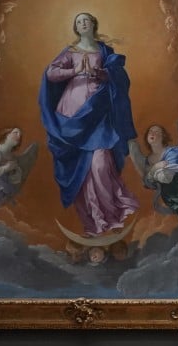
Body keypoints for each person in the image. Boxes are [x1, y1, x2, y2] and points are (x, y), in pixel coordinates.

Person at [39, 12, 139, 236]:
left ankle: (111, 214)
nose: (82, 23)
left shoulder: (104, 51)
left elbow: (119, 77)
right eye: (78, 21)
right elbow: (51, 73)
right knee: (81, 172)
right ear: (76, 28)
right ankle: (94, 223)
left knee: (101, 165)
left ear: (94, 23)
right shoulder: (71, 52)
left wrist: (103, 74)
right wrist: (75, 71)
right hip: (72, 115)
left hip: (98, 114)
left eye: (86, 20)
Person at [137, 124, 178, 230]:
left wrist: (153, 173)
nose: (152, 133)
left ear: (163, 136)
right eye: (150, 131)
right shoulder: (148, 160)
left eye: (157, 132)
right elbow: (148, 183)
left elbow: (167, 177)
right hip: (173, 198)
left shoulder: (173, 152)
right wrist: (155, 168)